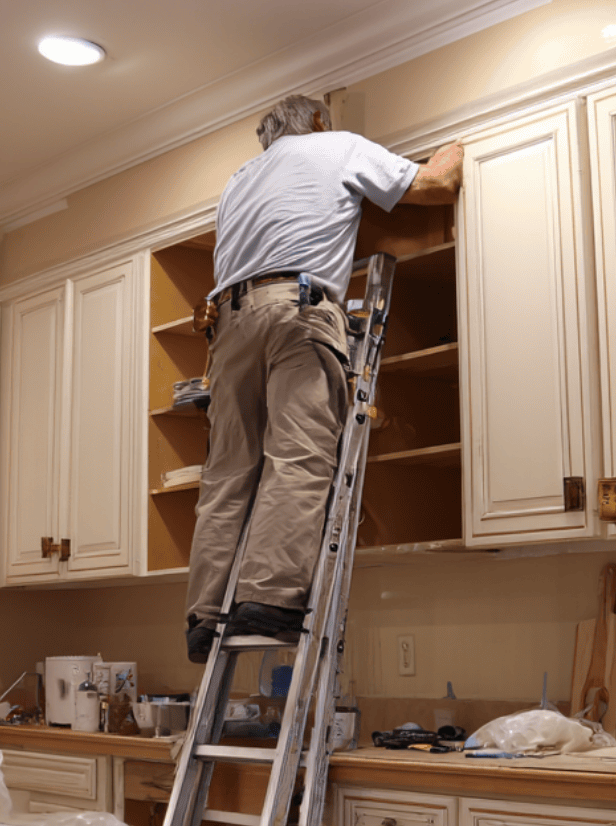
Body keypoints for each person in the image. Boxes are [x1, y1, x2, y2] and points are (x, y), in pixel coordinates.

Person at [185, 94, 463, 663]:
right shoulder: (336, 146)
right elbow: (436, 187)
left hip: (230, 328)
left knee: (229, 473)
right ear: (316, 120)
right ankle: (268, 598)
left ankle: (205, 612)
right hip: (296, 310)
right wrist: (455, 146)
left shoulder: (240, 179)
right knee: (299, 454)